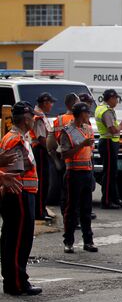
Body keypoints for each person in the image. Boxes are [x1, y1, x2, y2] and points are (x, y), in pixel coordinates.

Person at [0, 102, 42, 296]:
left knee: (12, 238)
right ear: (26, 119)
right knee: (19, 240)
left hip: (22, 193)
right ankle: (17, 282)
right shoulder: (15, 140)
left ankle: (13, 280)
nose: (34, 120)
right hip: (20, 193)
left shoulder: (18, 137)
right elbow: (17, 168)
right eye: (32, 117)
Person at [60, 103, 97, 253]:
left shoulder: (88, 128)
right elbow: (64, 154)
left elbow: (91, 150)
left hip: (87, 172)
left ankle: (88, 241)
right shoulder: (67, 131)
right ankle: (68, 241)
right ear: (81, 114)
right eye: (87, 112)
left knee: (87, 209)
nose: (89, 114)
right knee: (72, 209)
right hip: (74, 173)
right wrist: (82, 145)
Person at [47, 93, 79, 214]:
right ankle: (72, 215)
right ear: (74, 104)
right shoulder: (78, 120)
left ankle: (65, 213)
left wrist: (54, 155)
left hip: (61, 155)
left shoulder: (58, 120)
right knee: (73, 190)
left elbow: (50, 141)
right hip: (74, 159)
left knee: (64, 188)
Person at [95, 89, 122, 209]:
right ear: (111, 98)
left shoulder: (101, 108)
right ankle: (107, 200)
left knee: (112, 173)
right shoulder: (106, 111)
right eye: (116, 99)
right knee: (109, 173)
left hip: (109, 142)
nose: (117, 101)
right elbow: (112, 129)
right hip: (108, 142)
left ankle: (114, 198)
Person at [30, 92, 56, 221]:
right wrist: (51, 151)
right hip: (40, 151)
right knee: (42, 182)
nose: (52, 105)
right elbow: (41, 138)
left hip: (41, 150)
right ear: (45, 103)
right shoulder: (38, 117)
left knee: (44, 182)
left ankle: (41, 208)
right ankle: (39, 211)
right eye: (51, 103)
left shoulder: (40, 115)